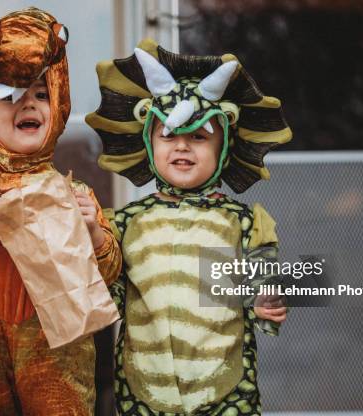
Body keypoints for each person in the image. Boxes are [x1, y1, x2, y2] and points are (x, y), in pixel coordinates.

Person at [0, 8, 121, 415]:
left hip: (58, 357)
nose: (27, 104)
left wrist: (95, 235)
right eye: (10, 96)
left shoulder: (74, 192)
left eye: (41, 94)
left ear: (60, 103)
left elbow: (110, 272)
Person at [85, 39, 291, 415]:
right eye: (168, 136)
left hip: (225, 393)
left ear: (223, 146)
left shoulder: (243, 223)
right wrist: (95, 237)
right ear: (148, 142)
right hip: (145, 390)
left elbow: (263, 289)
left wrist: (266, 302)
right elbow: (104, 294)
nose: (182, 147)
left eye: (198, 137)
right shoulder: (126, 223)